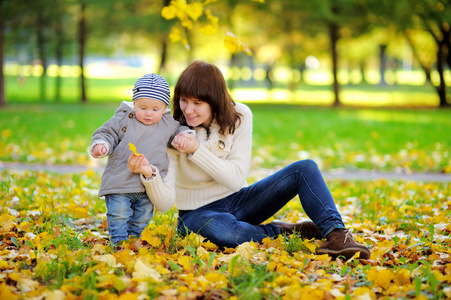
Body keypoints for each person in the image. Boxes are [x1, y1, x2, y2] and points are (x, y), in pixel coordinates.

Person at [128, 61, 371, 260]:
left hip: (239, 200)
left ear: (214, 100)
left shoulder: (239, 116)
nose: (188, 109)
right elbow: (164, 203)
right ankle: (283, 231)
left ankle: (337, 235)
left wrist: (196, 150)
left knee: (304, 168)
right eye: (184, 100)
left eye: (197, 103)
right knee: (226, 234)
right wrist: (150, 176)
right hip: (196, 214)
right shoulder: (171, 130)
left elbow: (234, 179)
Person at [90, 73, 192, 245]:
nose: (148, 114)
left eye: (155, 109)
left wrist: (184, 136)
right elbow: (106, 133)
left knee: (142, 217)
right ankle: (119, 243)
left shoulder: (167, 123)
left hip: (146, 186)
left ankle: (134, 241)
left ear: (164, 107)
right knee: (119, 214)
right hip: (120, 182)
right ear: (134, 103)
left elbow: (181, 130)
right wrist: (102, 145)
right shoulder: (125, 119)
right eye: (143, 108)